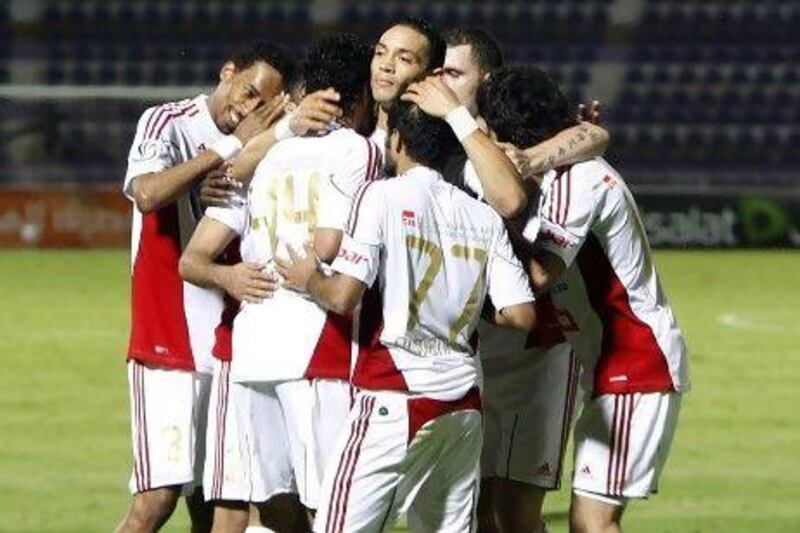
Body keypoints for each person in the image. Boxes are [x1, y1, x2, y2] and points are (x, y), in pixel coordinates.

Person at [276, 101, 538, 532]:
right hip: (463, 406)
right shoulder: (481, 214)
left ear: (396, 141)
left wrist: (310, 280)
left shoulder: (380, 195)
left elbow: (343, 296)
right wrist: (456, 299)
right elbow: (521, 315)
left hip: (394, 396)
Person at [478, 66, 690, 533]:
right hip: (609, 364)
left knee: (593, 523)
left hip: (637, 360)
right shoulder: (562, 173)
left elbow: (538, 274)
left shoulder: (579, 180)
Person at [180, 33, 377, 531]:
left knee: (272, 499)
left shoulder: (263, 153)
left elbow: (194, 254)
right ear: (359, 100)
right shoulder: (355, 150)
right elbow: (328, 246)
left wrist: (229, 274)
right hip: (316, 341)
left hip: (253, 344)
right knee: (330, 500)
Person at [116, 42, 293, 533]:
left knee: (224, 507)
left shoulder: (264, 146)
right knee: (156, 501)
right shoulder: (167, 122)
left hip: (230, 343)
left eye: (264, 104)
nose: (250, 108)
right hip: (167, 336)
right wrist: (229, 150)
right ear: (227, 72)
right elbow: (149, 193)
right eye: (249, 90)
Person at [439, 27, 608, 533]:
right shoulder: (432, 138)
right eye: (438, 71)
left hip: (537, 351)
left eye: (454, 72)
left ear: (485, 80)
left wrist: (532, 158)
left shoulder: (517, 137)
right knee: (473, 508)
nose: (441, 82)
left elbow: (593, 134)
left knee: (513, 513)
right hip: (468, 350)